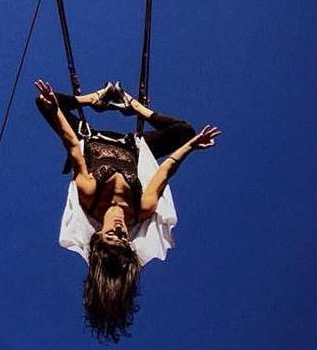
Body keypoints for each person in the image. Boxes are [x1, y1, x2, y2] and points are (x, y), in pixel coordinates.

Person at [34, 79, 220, 342]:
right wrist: (192, 145)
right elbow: (165, 171)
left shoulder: (89, 196)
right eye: (123, 239)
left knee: (43, 102)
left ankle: (94, 98)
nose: (120, 231)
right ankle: (130, 104)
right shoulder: (142, 209)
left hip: (90, 135)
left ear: (98, 236)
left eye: (111, 236)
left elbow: (74, 148)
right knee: (186, 132)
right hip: (133, 144)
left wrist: (61, 107)